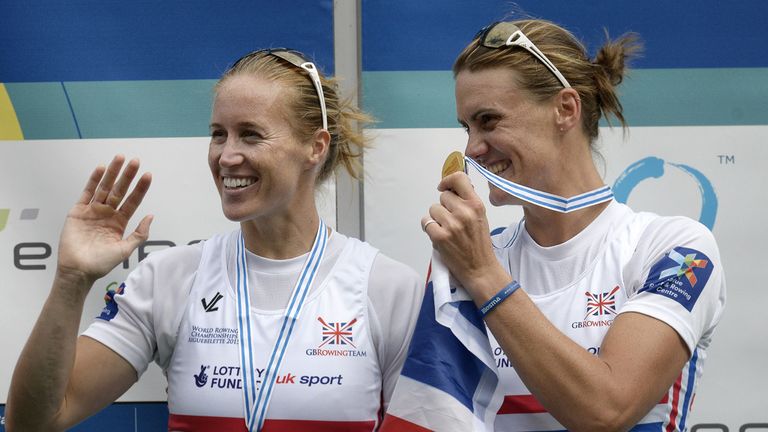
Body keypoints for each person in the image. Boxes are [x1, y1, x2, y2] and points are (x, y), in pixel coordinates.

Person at [6, 48, 423, 431]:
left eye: (251, 134)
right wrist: (71, 280)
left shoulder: (387, 289)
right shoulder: (169, 279)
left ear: (315, 147)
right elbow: (33, 422)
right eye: (219, 134)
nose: (226, 156)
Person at [384, 19, 726, 431]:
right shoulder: (472, 256)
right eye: (467, 127)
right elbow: (430, 421)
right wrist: (476, 266)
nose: (472, 148)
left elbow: (606, 410)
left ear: (565, 110)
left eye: (489, 121)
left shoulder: (675, 248)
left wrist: (484, 275)